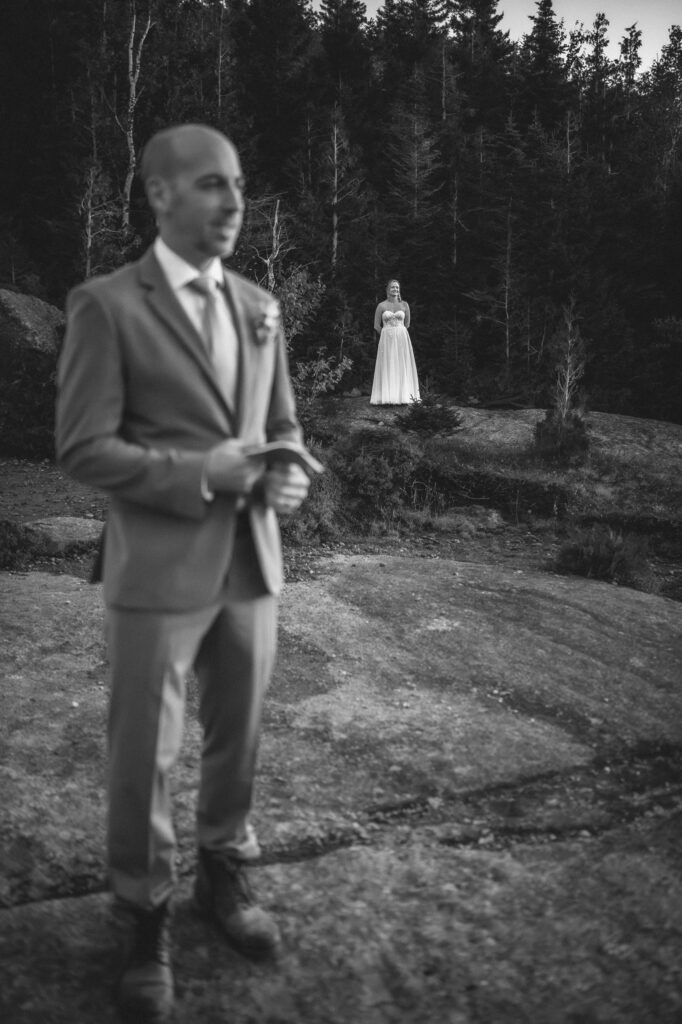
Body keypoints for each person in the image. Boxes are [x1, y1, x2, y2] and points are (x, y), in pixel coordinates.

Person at [55, 123, 313, 1023]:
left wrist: (285, 468)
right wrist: (202, 473)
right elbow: (83, 447)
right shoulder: (106, 304)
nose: (234, 202)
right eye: (210, 185)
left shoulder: (260, 303)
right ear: (159, 194)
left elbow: (282, 425)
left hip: (252, 560)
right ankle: (141, 916)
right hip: (157, 567)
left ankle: (224, 877)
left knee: (237, 735)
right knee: (145, 755)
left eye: (238, 185)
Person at [370, 278, 420, 405]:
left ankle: (403, 396)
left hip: (402, 338)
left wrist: (398, 332)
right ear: (388, 290)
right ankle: (388, 396)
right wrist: (386, 334)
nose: (395, 289)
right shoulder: (381, 305)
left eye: (397, 287)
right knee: (388, 363)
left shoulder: (405, 305)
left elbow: (407, 324)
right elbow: (376, 325)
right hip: (386, 340)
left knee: (401, 363)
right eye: (393, 287)